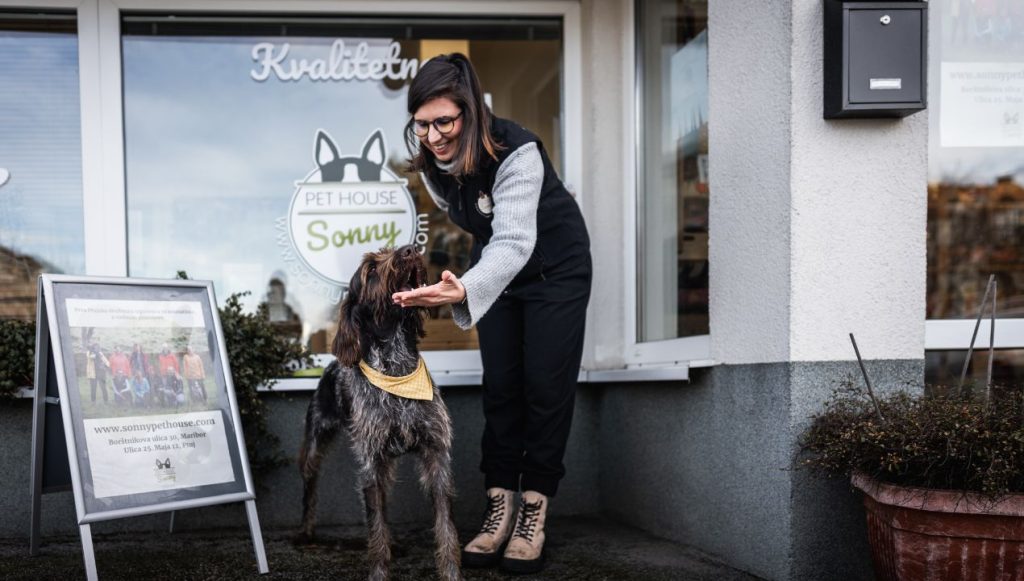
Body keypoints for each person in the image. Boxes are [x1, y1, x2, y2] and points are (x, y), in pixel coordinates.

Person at [392, 53, 591, 574]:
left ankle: (534, 508)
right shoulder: (433, 163)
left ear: (470, 112)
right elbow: (482, 231)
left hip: (556, 270)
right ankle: (499, 500)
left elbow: (514, 241)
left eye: (444, 122)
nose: (433, 136)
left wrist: (462, 291)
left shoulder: (517, 151)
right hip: (497, 269)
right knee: (502, 386)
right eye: (421, 125)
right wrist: (471, 285)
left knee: (545, 387)